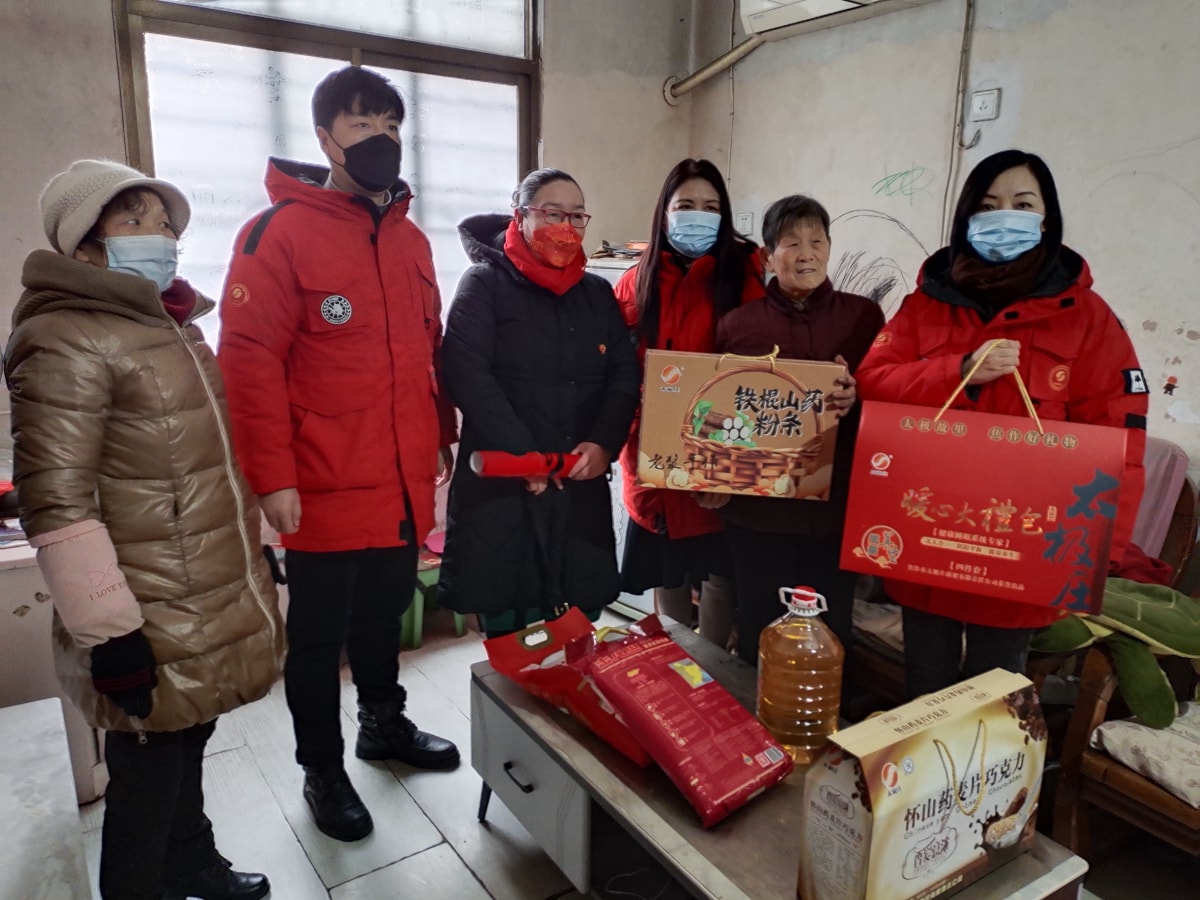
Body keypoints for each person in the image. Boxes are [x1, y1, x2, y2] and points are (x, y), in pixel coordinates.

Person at [5, 159, 283, 899]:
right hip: (141, 606)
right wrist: (110, 631)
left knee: (191, 734)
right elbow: (56, 500)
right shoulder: (64, 335)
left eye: (165, 224)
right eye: (134, 220)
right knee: (147, 770)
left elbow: (204, 468)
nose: (158, 237)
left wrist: (252, 555)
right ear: (84, 243)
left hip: (197, 587)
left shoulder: (169, 324)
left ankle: (191, 862)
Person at [217, 66, 460, 845]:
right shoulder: (277, 234)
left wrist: (441, 432)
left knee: (384, 614)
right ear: (326, 139)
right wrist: (272, 479)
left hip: (399, 478)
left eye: (391, 125)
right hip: (319, 484)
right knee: (319, 640)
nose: (381, 139)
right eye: (362, 125)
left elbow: (426, 349)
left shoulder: (412, 239)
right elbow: (248, 365)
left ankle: (382, 724)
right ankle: (321, 767)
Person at [855, 149, 1148, 698]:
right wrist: (958, 370)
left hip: (1019, 549)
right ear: (967, 217)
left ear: (1047, 218)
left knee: (995, 697)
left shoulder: (1087, 318)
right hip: (930, 535)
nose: (1004, 217)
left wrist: (1101, 549)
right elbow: (873, 381)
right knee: (923, 690)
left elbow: (1120, 434)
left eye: (1022, 204)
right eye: (988, 206)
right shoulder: (928, 304)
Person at [438, 168, 640, 636]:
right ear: (521, 215)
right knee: (510, 624)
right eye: (552, 214)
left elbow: (624, 374)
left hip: (579, 479)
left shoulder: (596, 293)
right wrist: (525, 456)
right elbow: (467, 374)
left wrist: (603, 443)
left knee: (579, 620)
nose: (565, 226)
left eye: (576, 216)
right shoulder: (484, 284)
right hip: (505, 484)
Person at [712, 194, 885, 668]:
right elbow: (716, 412)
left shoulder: (863, 318)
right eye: (791, 243)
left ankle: (825, 713)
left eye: (817, 241)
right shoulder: (737, 326)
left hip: (836, 509)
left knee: (831, 628)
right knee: (760, 626)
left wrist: (858, 395)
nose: (806, 253)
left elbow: (889, 394)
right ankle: (756, 712)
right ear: (768, 256)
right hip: (758, 511)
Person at [613, 159, 764, 647]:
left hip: (721, 456)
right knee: (668, 572)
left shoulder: (746, 279)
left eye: (711, 207)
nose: (698, 216)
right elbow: (616, 372)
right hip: (651, 458)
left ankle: (713, 672)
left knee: (720, 575)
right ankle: (675, 669)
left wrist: (725, 468)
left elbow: (757, 379)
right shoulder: (634, 281)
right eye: (686, 206)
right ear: (664, 213)